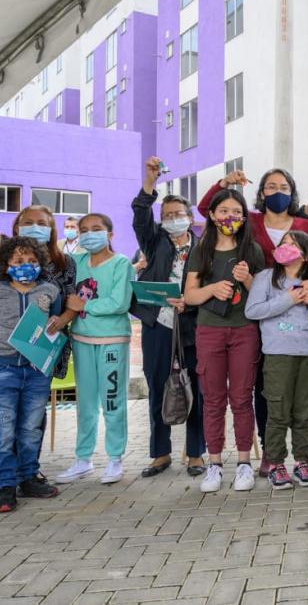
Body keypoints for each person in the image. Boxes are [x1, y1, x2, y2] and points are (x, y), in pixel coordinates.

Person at [197, 168, 308, 476]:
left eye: (283, 186)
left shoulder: (303, 224)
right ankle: (271, 452)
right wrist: (225, 184)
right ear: (261, 192)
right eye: (270, 186)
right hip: (258, 306)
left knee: (302, 395)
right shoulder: (251, 221)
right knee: (267, 387)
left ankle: (306, 449)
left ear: (292, 191)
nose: (277, 190)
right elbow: (209, 210)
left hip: (298, 313)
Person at [0, 169, 77, 492]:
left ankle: (28, 474)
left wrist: (63, 320)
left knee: (32, 419)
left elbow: (69, 303)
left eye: (43, 223)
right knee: (4, 421)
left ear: (52, 230)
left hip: (41, 355)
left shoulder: (64, 263)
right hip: (3, 356)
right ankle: (6, 479)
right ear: (16, 228)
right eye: (28, 222)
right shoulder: (6, 251)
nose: (36, 227)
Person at [184, 188, 265, 493]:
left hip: (245, 330)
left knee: (242, 399)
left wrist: (247, 280)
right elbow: (190, 294)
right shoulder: (201, 249)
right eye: (224, 211)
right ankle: (214, 464)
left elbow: (263, 294)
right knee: (213, 399)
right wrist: (212, 289)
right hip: (209, 330)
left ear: (244, 218)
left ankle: (244, 463)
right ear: (212, 215)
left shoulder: (252, 251)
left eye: (236, 212)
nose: (229, 217)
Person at [0, 237, 63, 512]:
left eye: (31, 261)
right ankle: (5, 486)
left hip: (36, 372)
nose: (25, 266)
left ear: (40, 263)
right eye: (18, 262)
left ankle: (28, 478)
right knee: (1, 430)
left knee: (30, 430)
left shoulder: (50, 291)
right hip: (1, 370)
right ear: (6, 264)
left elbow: (57, 328)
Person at [132, 156, 206, 479]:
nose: (173, 219)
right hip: (158, 326)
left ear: (190, 218)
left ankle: (195, 453)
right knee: (158, 387)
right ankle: (160, 453)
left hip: (192, 327)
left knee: (196, 388)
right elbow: (139, 216)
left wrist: (188, 304)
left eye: (179, 214)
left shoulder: (205, 248)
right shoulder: (154, 242)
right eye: (167, 215)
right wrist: (150, 183)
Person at [56, 213, 136, 485]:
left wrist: (84, 306)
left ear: (110, 234)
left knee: (112, 401)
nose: (90, 234)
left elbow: (119, 302)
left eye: (97, 229)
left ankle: (115, 459)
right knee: (86, 403)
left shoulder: (121, 263)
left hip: (112, 341)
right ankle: (83, 458)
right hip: (82, 340)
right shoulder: (76, 262)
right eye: (84, 230)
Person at [245, 231, 308, 489]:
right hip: (278, 354)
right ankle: (276, 463)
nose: (286, 247)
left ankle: (302, 460)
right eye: (283, 243)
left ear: (305, 254)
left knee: (304, 410)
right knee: (277, 410)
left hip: (306, 353)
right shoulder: (265, 278)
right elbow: (253, 310)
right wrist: (287, 299)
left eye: (292, 244)